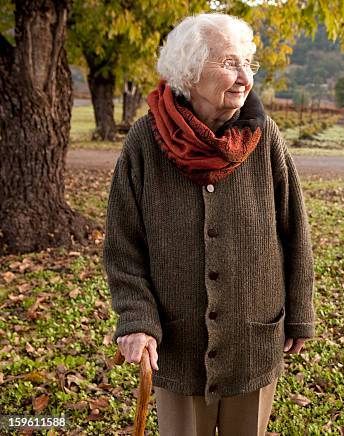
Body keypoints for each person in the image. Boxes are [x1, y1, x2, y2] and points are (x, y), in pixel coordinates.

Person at [102, 12, 315, 436]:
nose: (243, 78)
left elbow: (295, 230)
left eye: (247, 65)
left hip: (253, 339)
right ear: (191, 71)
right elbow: (123, 246)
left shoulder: (263, 136)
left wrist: (301, 314)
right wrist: (137, 319)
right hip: (176, 345)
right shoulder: (146, 141)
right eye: (229, 63)